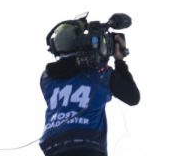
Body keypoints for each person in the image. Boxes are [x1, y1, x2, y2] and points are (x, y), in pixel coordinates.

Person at [40, 18, 140, 156]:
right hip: (87, 144)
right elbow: (133, 97)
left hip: (53, 146)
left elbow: (68, 68)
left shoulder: (46, 78)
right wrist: (119, 61)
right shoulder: (101, 73)